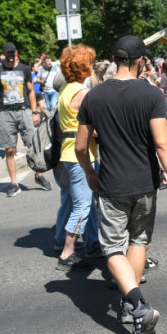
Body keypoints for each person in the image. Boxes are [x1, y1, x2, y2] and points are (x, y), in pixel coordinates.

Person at [75, 36, 167, 334]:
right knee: (138, 241)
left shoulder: (94, 96)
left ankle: (135, 303)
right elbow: (163, 144)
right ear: (141, 61)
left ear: (113, 58)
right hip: (145, 182)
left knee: (111, 249)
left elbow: (81, 146)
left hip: (112, 183)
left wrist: (89, 172)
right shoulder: (151, 95)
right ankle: (132, 304)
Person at [53, 45, 100, 271]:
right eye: (90, 62)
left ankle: (92, 243)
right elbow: (96, 127)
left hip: (69, 150)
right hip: (81, 153)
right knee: (82, 205)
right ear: (83, 67)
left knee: (86, 201)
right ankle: (68, 251)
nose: (92, 66)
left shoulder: (65, 89)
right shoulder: (83, 93)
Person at [0, 41, 52, 197]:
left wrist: (34, 112)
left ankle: (38, 175)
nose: (10, 55)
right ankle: (14, 183)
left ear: (15, 53)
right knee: (9, 149)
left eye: (12, 53)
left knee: (33, 145)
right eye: (7, 53)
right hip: (6, 114)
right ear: (4, 54)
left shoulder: (24, 69)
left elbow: (30, 91)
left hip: (23, 111)